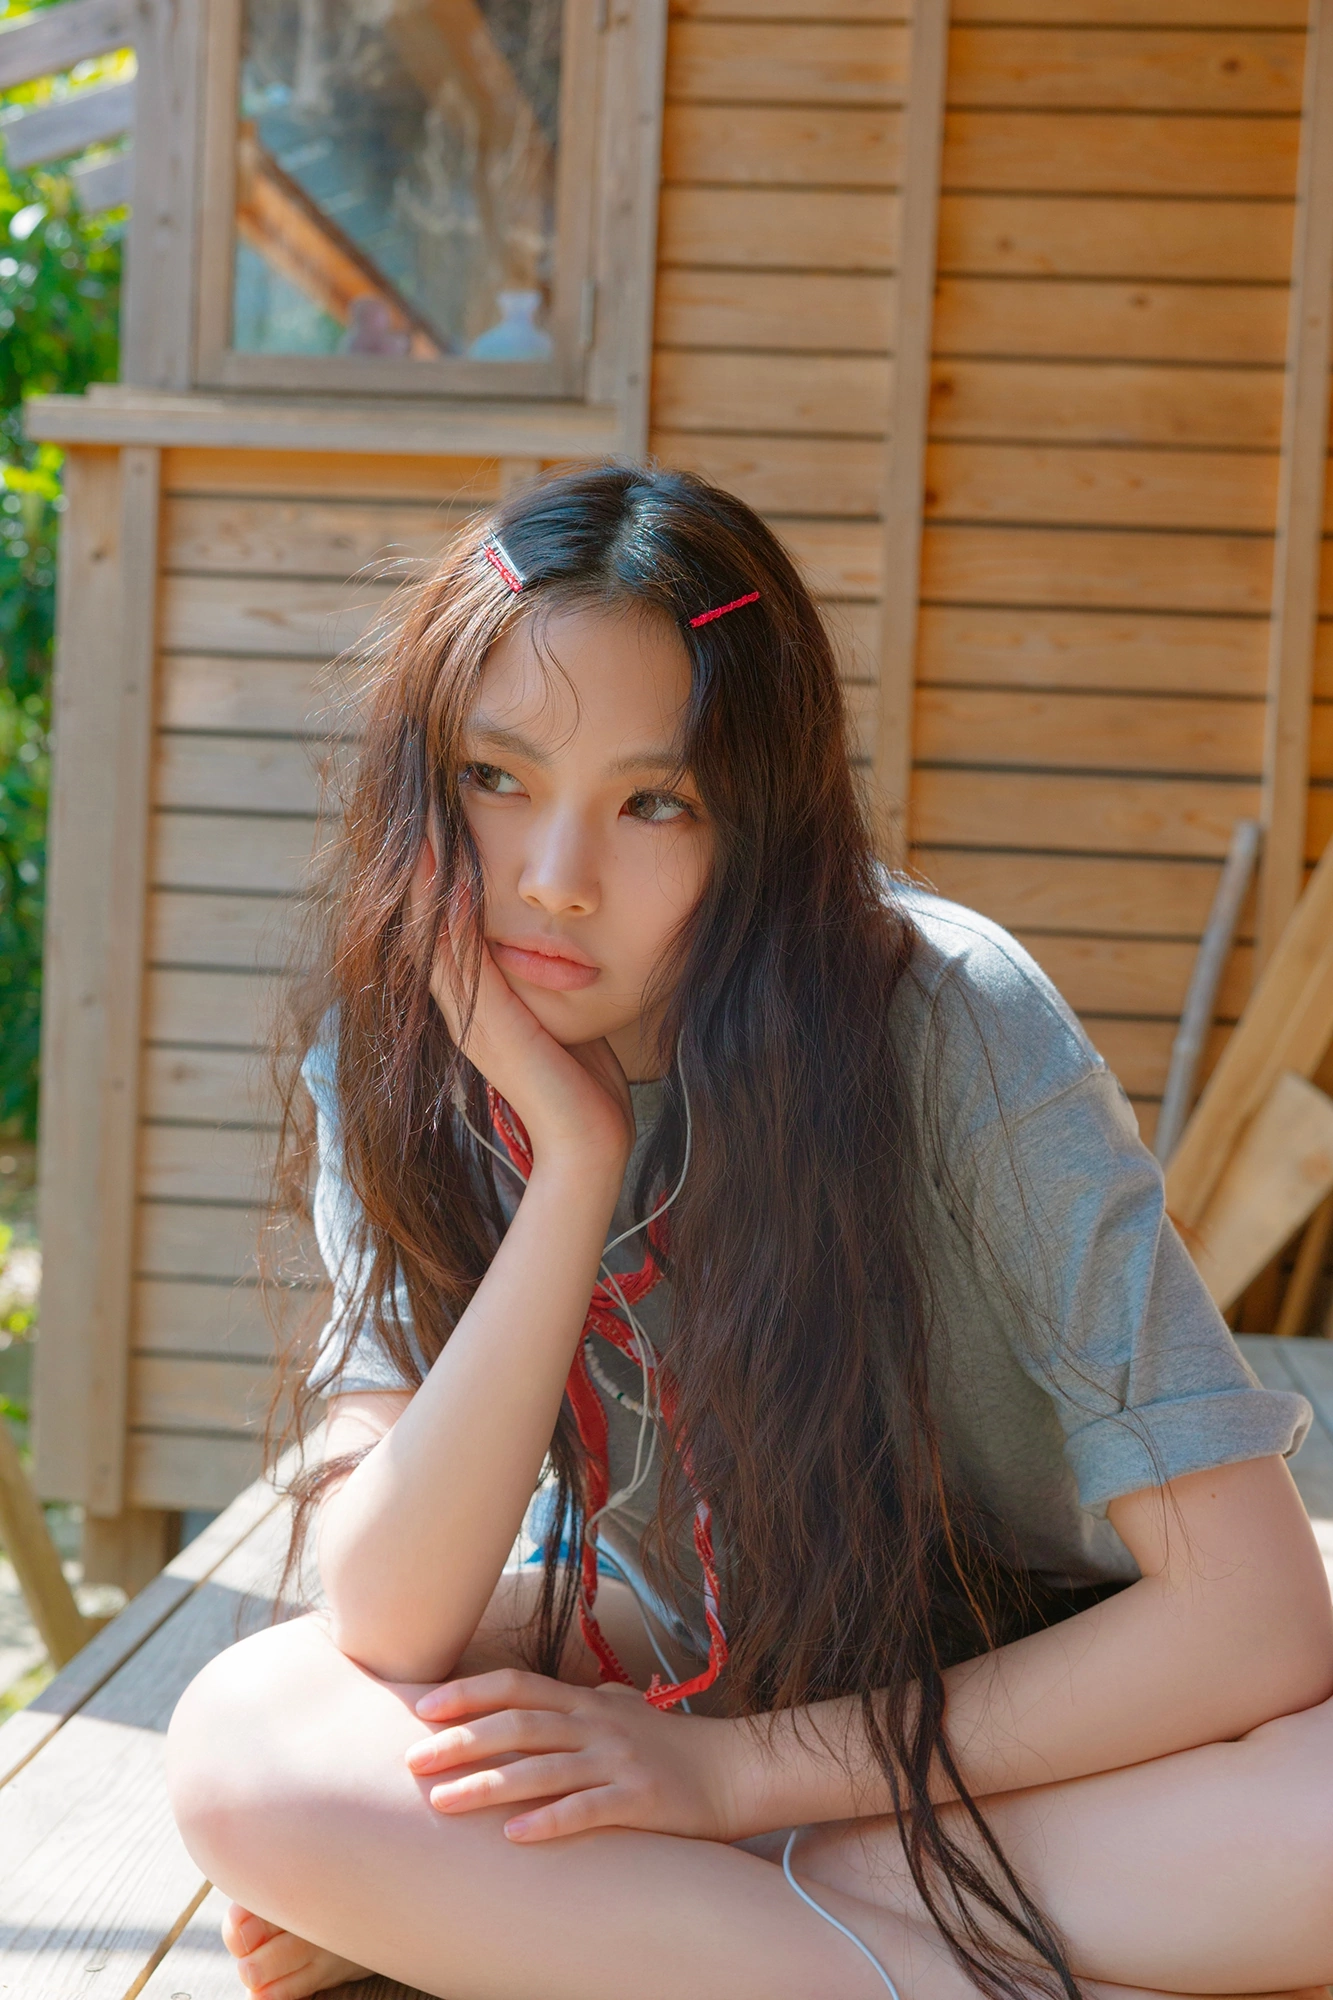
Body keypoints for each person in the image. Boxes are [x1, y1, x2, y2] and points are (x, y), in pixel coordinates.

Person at [166, 466, 1333, 2000]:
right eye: (495, 777)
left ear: (760, 827)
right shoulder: (398, 1059)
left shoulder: (946, 1018)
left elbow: (1255, 1621)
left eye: (655, 802)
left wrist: (730, 1788)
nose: (554, 882)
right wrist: (576, 1167)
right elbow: (387, 1617)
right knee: (247, 1745)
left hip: (1070, 1710)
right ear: (419, 782)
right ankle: (831, 1930)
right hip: (716, 1665)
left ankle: (695, 1915)